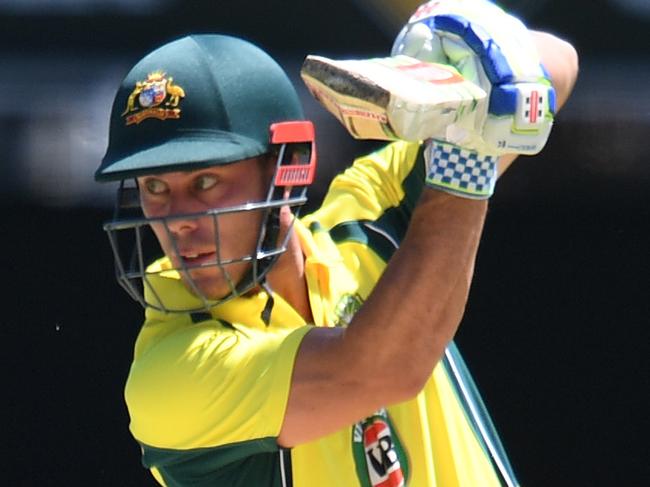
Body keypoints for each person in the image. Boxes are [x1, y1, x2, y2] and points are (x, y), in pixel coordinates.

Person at [96, 1, 578, 485]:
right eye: (155, 187)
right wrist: (469, 154)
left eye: (205, 182)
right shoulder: (171, 374)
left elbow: (557, 64)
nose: (177, 220)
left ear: (287, 167)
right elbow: (382, 369)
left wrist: (460, 57)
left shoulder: (367, 216)